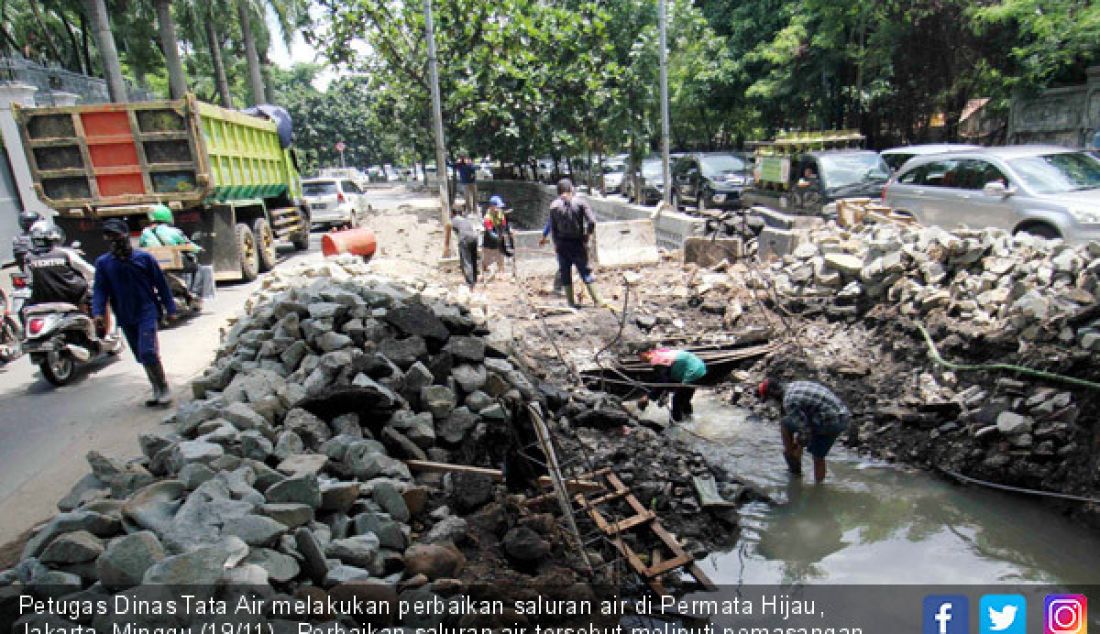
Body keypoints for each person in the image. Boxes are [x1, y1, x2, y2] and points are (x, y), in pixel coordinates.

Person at [93, 218, 177, 407]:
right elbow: (100, 290)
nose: (114, 241)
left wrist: (170, 308)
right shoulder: (104, 264)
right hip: (124, 314)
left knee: (148, 351)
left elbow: (161, 285)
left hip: (147, 311)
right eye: (109, 237)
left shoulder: (144, 259)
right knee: (140, 354)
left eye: (117, 236)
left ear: (126, 236)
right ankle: (155, 386)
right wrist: (97, 313)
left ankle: (163, 388)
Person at [757, 378, 850, 483]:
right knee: (819, 456)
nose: (771, 403)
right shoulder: (793, 385)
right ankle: (818, 488)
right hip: (842, 415)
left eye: (769, 399)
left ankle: (793, 462)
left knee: (815, 454)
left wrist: (797, 447)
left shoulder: (789, 401)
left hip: (829, 421)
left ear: (773, 394)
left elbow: (805, 432)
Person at [539, 179, 610, 308]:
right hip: (578, 244)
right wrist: (587, 235)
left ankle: (571, 303)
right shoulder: (581, 203)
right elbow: (592, 222)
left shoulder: (554, 206)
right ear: (571, 189)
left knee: (565, 273)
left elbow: (552, 227)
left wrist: (554, 243)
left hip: (561, 245)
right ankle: (598, 301)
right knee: (585, 271)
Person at [138, 203, 212, 301]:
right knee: (200, 267)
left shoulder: (145, 232)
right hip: (173, 263)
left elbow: (142, 246)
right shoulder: (174, 231)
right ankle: (194, 292)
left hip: (153, 264)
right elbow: (188, 244)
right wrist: (199, 249)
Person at [24, 221, 94, 308]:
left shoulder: (29, 257)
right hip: (73, 297)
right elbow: (91, 271)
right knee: (100, 297)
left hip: (42, 301)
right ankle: (100, 321)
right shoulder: (64, 253)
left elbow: (29, 281)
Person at [637, 348, 707, 422]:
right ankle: (689, 418)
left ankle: (676, 425)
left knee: (676, 400)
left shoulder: (656, 360)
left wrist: (648, 397)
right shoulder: (660, 352)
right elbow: (668, 377)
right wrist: (664, 394)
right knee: (684, 397)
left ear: (648, 352)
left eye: (640, 355)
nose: (640, 359)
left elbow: (663, 381)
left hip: (692, 371)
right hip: (698, 366)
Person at [481, 195, 513, 279]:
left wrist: (508, 232)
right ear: (491, 206)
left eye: (499, 207)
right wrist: (499, 237)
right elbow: (490, 232)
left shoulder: (501, 213)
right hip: (489, 238)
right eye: (497, 206)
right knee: (486, 257)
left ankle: (501, 273)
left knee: (500, 256)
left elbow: (504, 225)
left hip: (499, 236)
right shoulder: (487, 218)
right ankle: (484, 274)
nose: (498, 208)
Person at [450, 206, 480, 290]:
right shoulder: (466, 220)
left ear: (453, 213)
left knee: (467, 260)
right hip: (474, 238)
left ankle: (470, 283)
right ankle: (475, 279)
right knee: (473, 259)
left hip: (465, 239)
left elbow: (455, 233)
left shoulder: (454, 220)